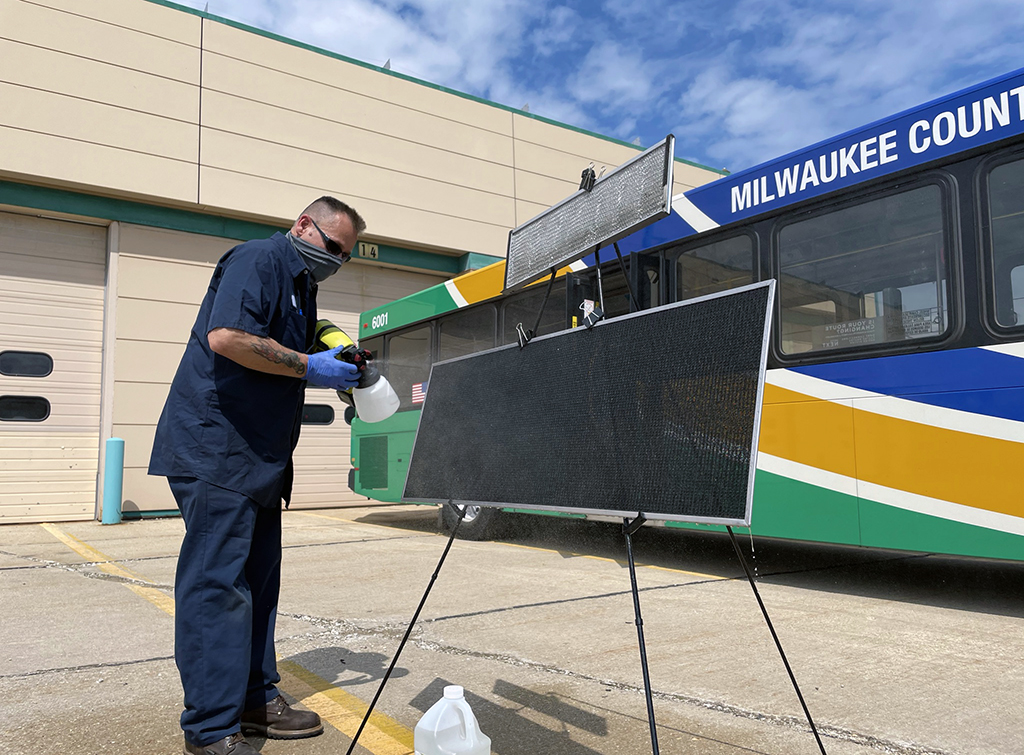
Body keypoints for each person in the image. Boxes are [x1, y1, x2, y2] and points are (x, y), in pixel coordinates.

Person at [149, 196, 367, 755]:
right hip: (218, 450)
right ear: (303, 225)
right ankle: (210, 728)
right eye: (333, 247)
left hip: (261, 461)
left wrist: (339, 362)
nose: (337, 261)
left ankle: (253, 698)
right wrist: (309, 367)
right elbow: (229, 338)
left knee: (259, 587)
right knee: (217, 589)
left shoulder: (303, 287)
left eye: (346, 255)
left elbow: (293, 348)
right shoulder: (258, 260)